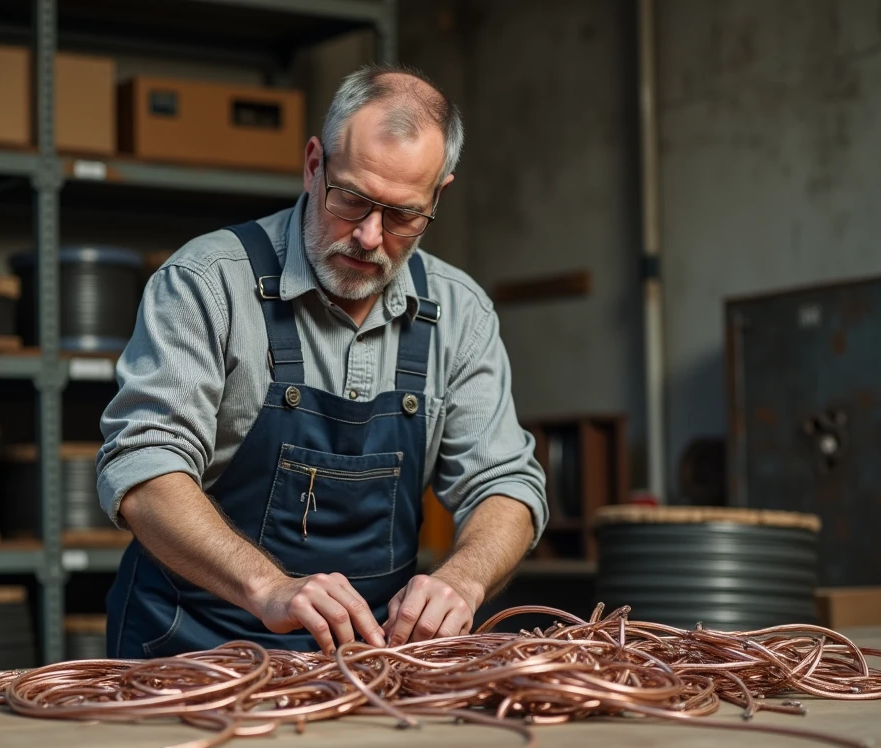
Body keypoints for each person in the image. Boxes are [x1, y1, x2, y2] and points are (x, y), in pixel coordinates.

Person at [98, 65, 547, 658]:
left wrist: (463, 580)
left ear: (438, 196)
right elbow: (144, 467)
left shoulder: (459, 314)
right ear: (315, 164)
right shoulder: (206, 283)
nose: (368, 235)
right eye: (352, 199)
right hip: (192, 652)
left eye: (403, 215)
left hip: (368, 664)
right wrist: (270, 588)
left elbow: (506, 483)